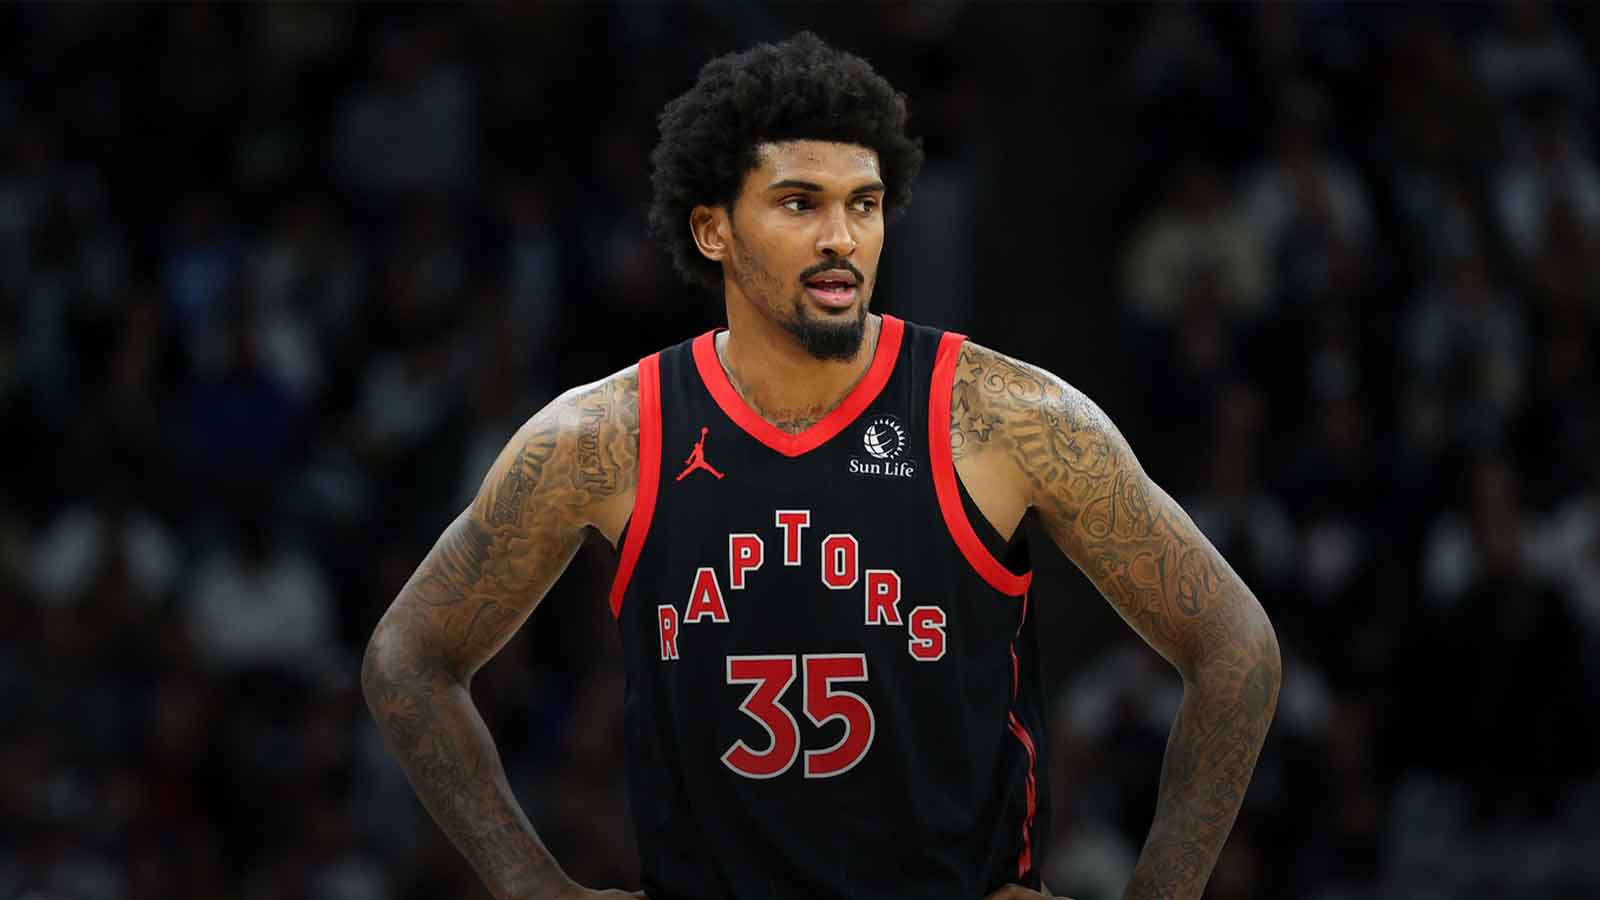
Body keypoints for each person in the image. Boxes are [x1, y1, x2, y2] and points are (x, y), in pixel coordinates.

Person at [361, 32, 1280, 900]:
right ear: (715, 230)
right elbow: (408, 659)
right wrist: (528, 884)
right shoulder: (608, 436)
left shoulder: (1002, 417)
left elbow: (1236, 649)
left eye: (864, 204)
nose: (842, 236)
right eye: (800, 203)